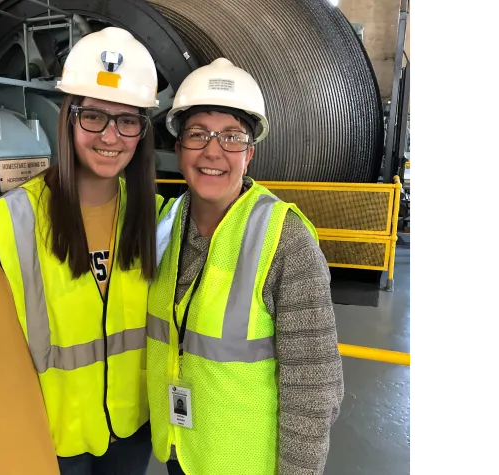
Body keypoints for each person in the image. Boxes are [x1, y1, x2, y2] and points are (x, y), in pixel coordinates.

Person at [0, 26, 165, 475]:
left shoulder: (155, 220)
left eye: (128, 119)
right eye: (94, 115)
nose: (110, 136)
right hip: (56, 448)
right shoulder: (10, 230)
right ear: (69, 117)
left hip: (132, 438)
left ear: (142, 130)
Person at [147, 58, 345, 475]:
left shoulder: (285, 240)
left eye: (232, 138)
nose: (213, 151)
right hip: (180, 453)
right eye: (198, 135)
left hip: (245, 464)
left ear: (249, 154)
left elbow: (313, 389)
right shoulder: (165, 226)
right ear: (178, 148)